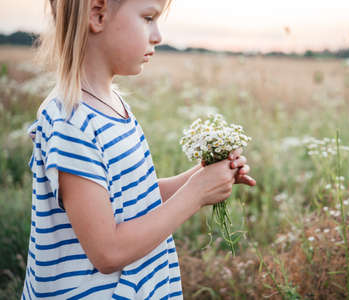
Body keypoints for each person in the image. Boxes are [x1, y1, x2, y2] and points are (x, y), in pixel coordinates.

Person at [22, 0, 256, 299]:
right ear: (98, 14)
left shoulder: (113, 106)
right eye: (148, 18)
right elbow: (107, 251)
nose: (158, 35)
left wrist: (201, 175)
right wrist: (195, 194)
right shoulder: (71, 121)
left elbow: (132, 199)